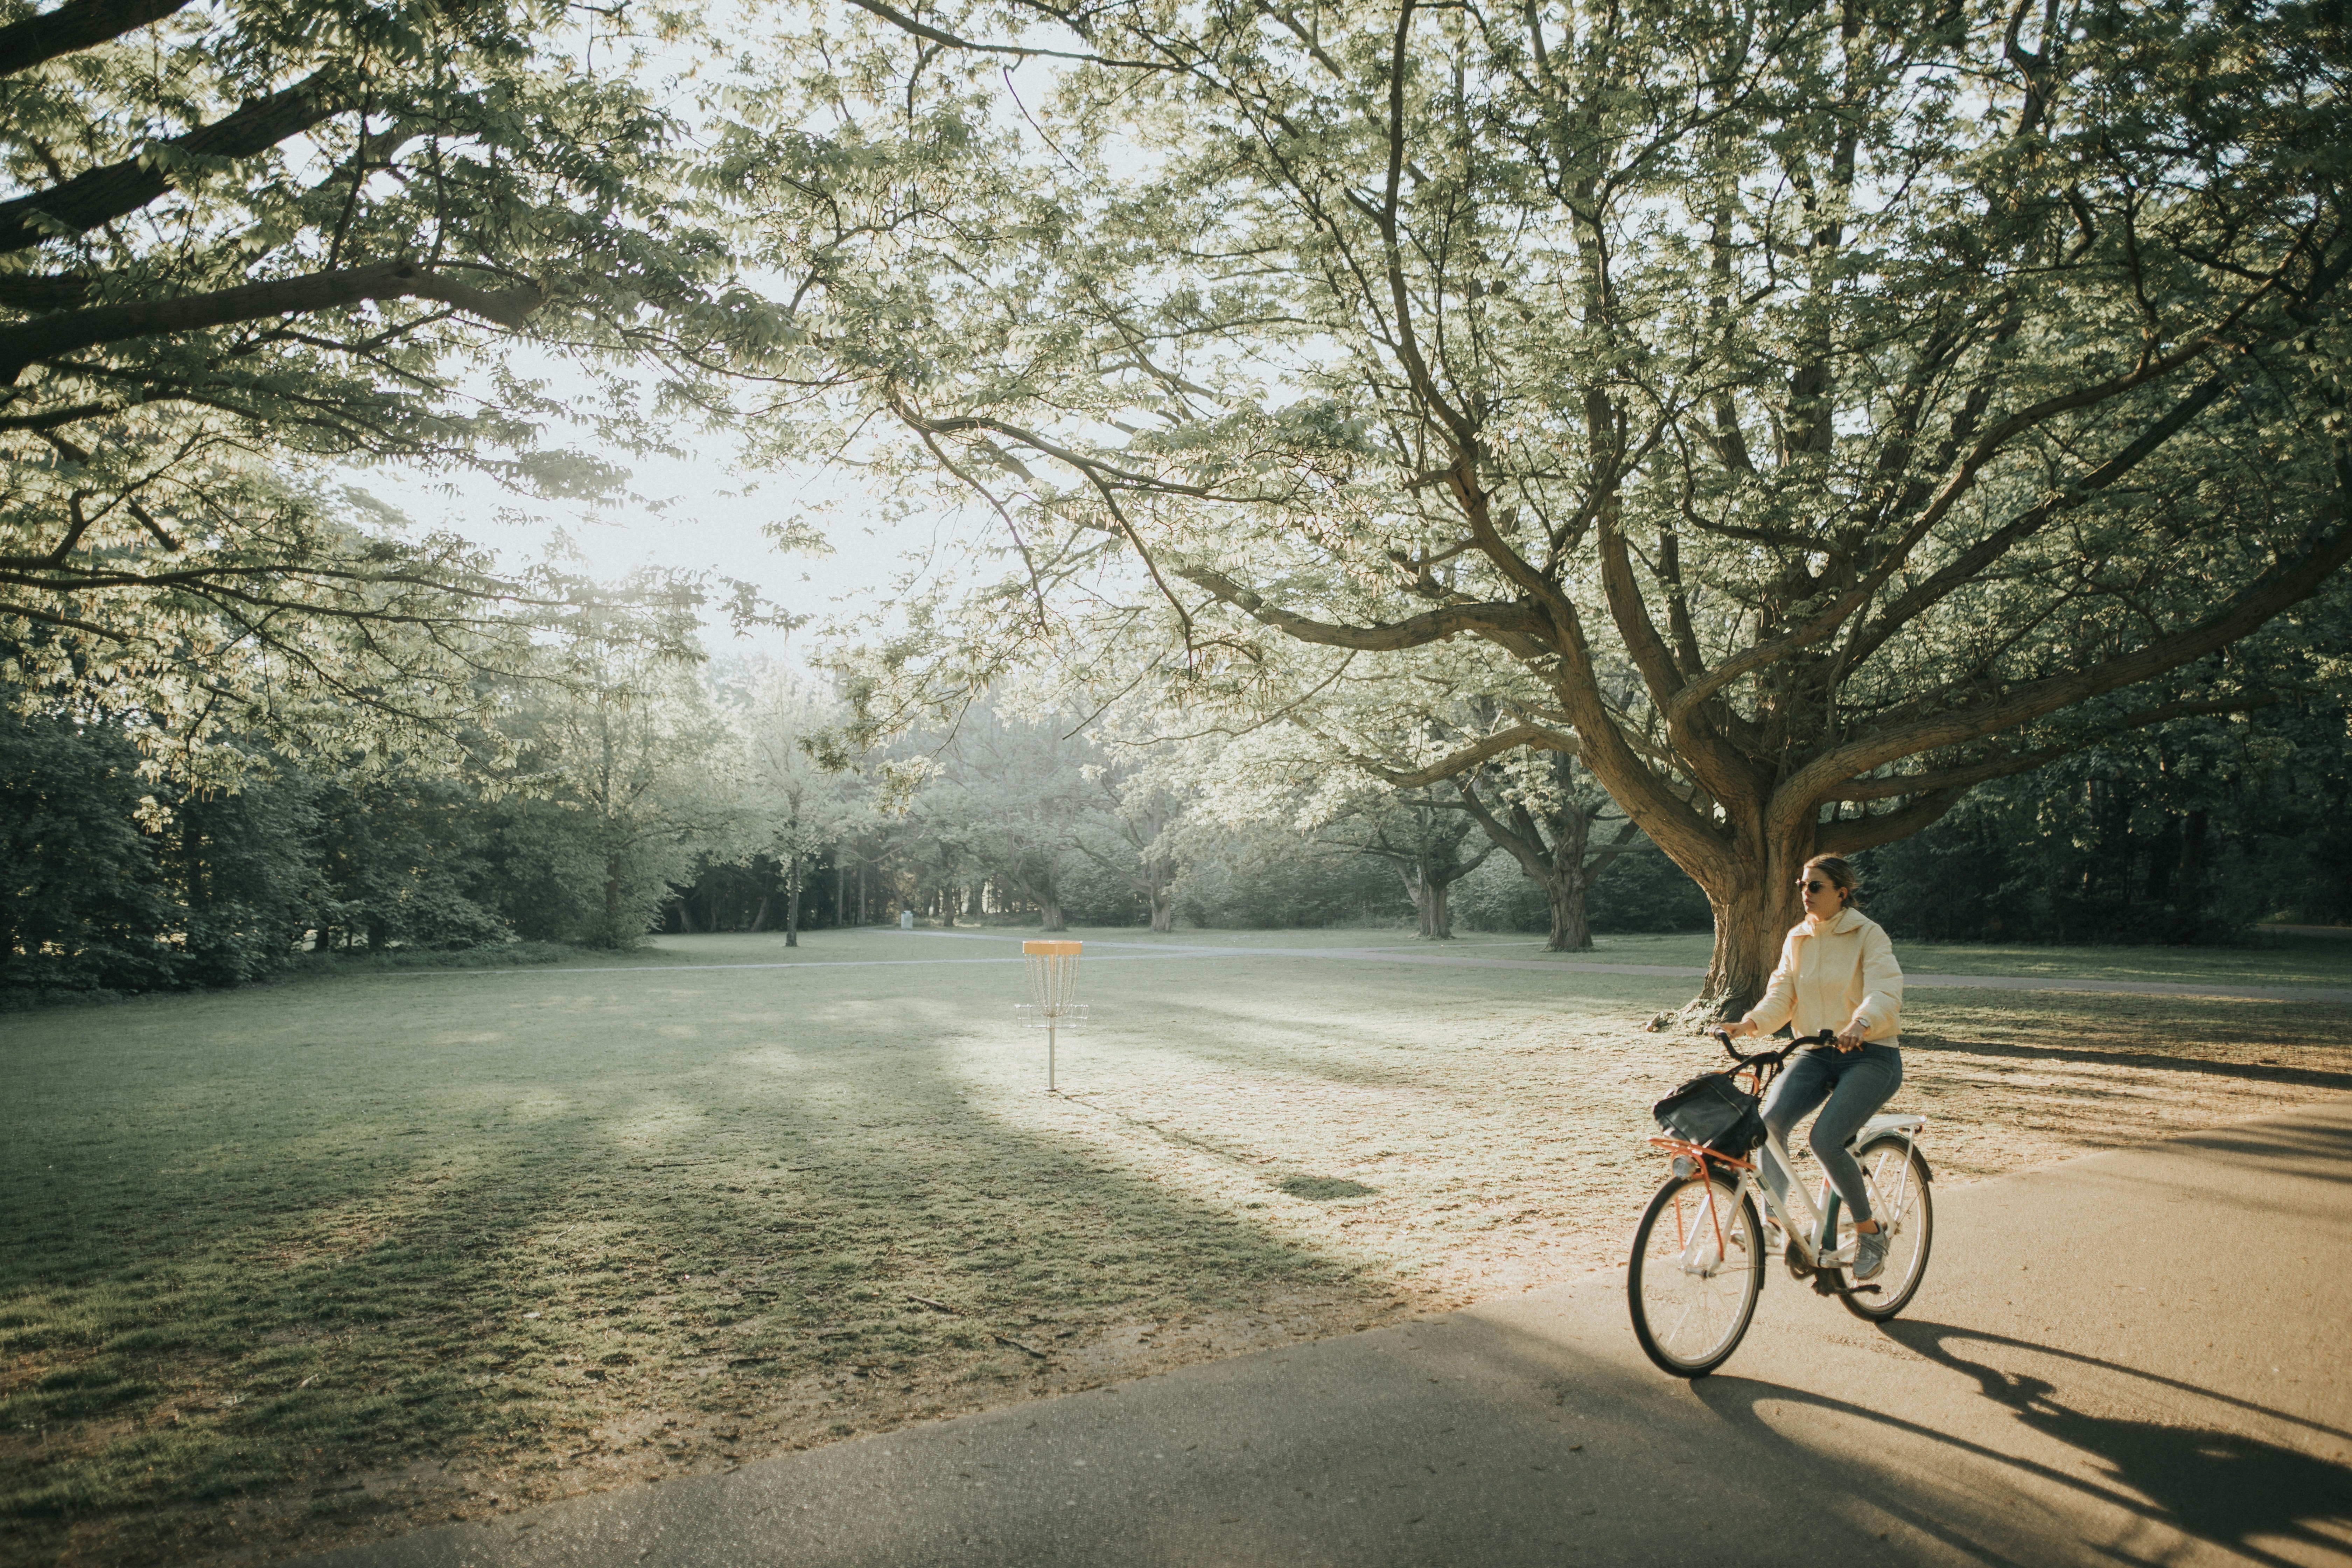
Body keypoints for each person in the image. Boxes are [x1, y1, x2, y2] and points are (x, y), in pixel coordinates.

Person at [1720, 854, 1904, 1280]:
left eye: (1815, 886)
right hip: (1817, 1052)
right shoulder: (1797, 938)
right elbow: (1782, 995)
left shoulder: (1868, 934)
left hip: (1872, 1055)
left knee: (1826, 1139)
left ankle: (1869, 1231)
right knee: (1769, 1124)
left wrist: (1861, 1022)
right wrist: (1750, 1023)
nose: (1806, 892)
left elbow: (1885, 989)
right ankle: (1770, 1226)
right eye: (1803, 885)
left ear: (1842, 892)